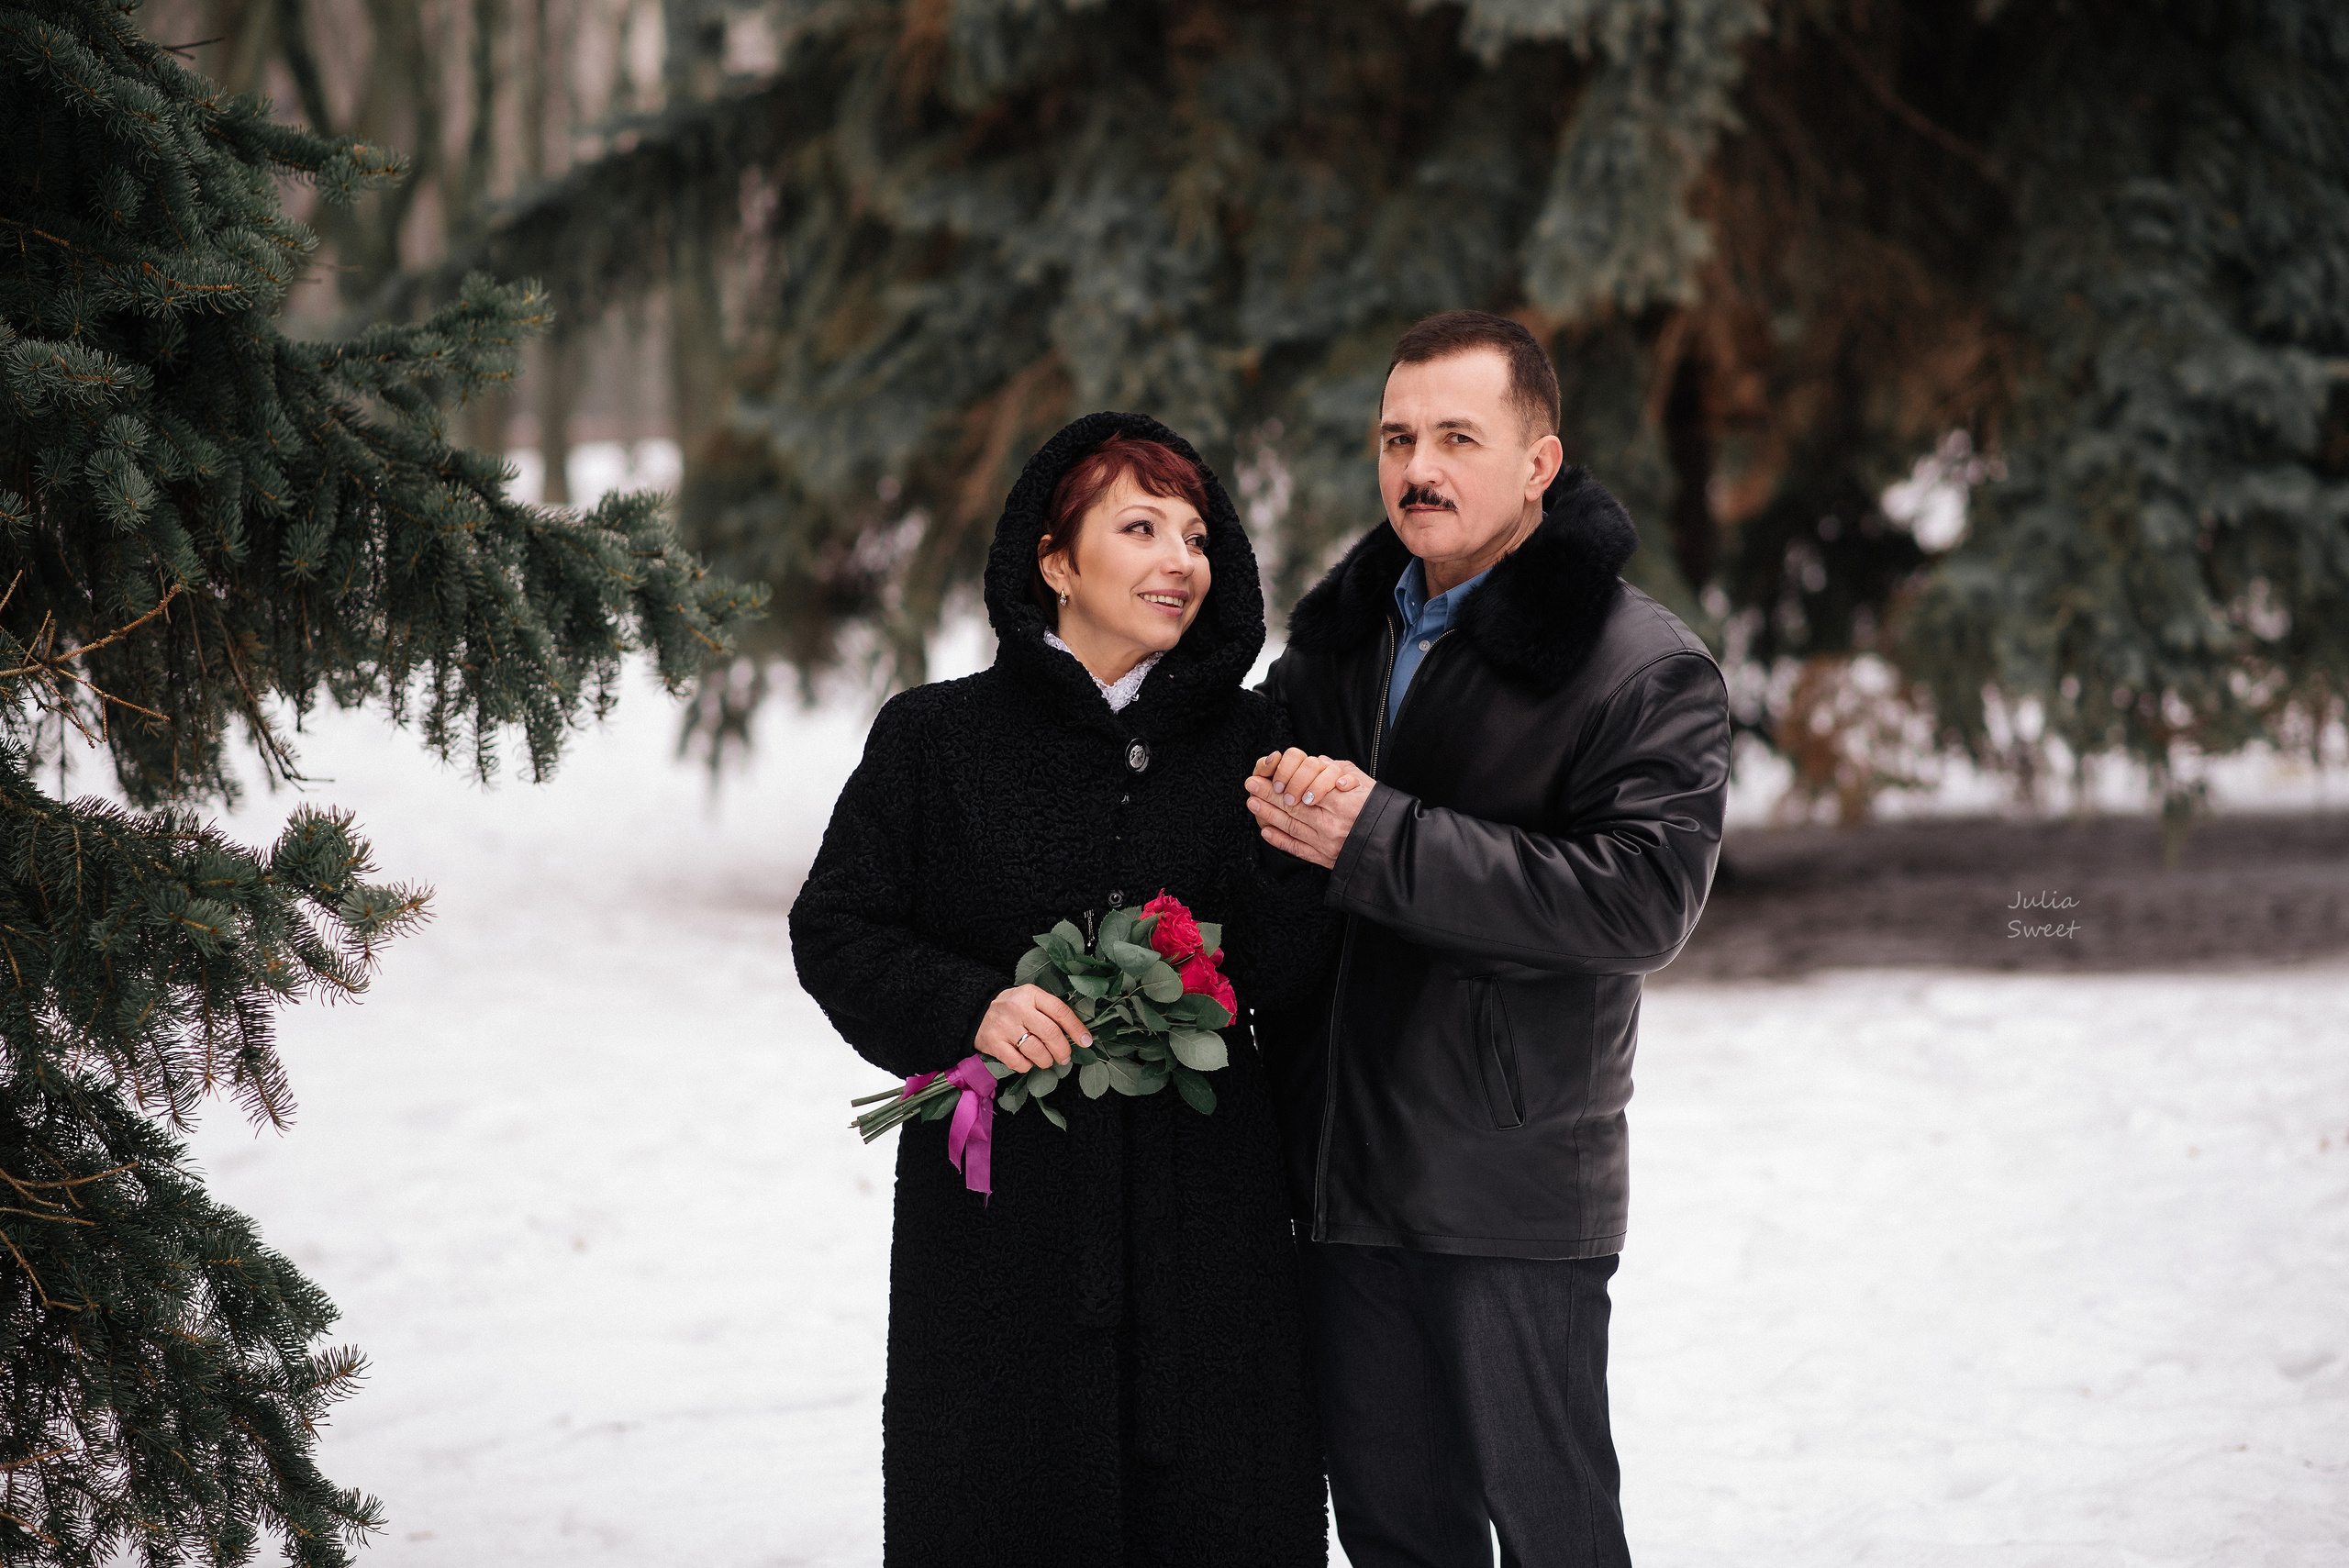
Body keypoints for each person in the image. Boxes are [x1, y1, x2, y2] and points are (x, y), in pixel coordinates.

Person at [790, 412, 1336, 1567]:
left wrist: (1300, 865)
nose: (1178, 558)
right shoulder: (935, 739)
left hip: (1209, 1229)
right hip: (1001, 1238)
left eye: (1195, 533)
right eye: (1138, 527)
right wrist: (966, 1005)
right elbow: (836, 925)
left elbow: (1292, 975)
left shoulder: (1256, 741)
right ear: (1053, 560)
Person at [1243, 310, 1734, 1568]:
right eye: (1398, 437)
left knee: (1555, 1536)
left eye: (1460, 436)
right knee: (1400, 1538)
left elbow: (1639, 901)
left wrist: (1376, 837)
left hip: (1510, 1188)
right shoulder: (1341, 643)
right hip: (1341, 1170)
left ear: (1540, 463)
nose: (1421, 468)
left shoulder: (1641, 667)